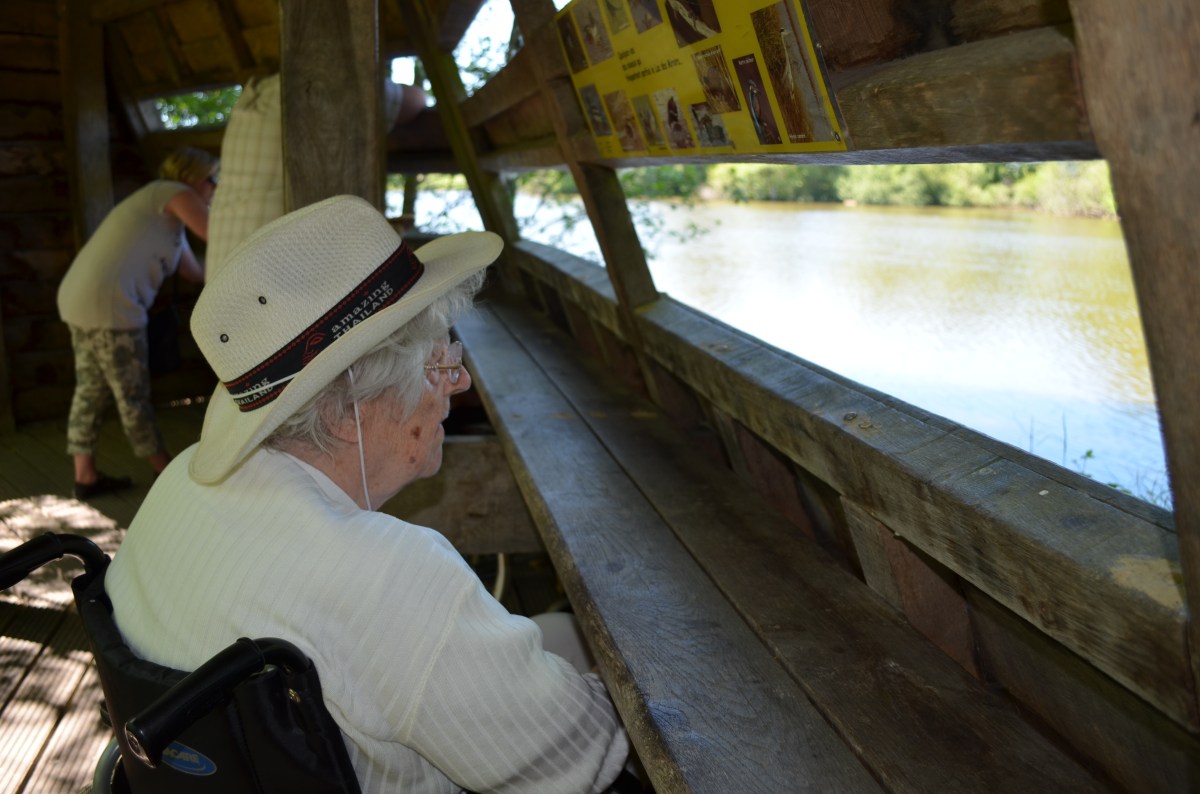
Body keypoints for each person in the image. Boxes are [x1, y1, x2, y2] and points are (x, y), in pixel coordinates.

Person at [105, 195, 630, 793]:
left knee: (557, 632)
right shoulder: (393, 576)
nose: (459, 381)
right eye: (440, 360)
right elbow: (585, 755)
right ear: (348, 407)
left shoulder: (179, 482)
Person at [57, 146, 217, 500]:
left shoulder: (165, 217)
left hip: (85, 302)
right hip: (111, 308)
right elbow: (216, 232)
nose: (215, 188)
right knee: (133, 395)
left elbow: (195, 272)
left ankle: (85, 476)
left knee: (91, 390)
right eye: (211, 179)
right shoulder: (172, 193)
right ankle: (166, 471)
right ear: (190, 177)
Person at [205, 73, 429, 280]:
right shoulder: (311, 79)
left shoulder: (249, 105)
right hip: (279, 290)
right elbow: (412, 102)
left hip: (221, 297)